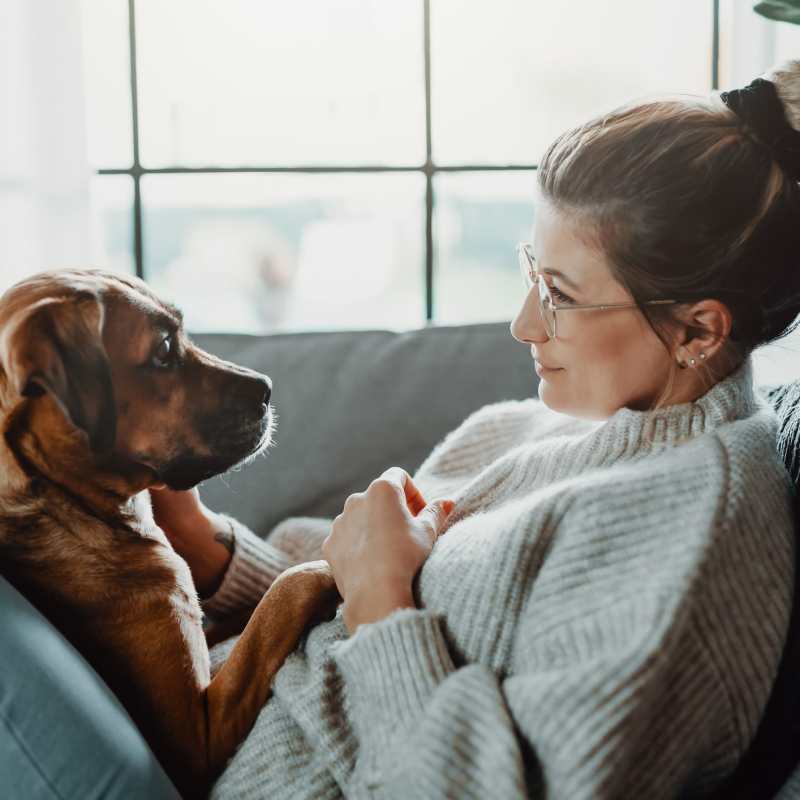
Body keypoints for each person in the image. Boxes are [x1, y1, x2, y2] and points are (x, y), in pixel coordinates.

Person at [150, 62, 800, 799]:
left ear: (699, 329)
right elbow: (331, 600)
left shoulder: (690, 532)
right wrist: (205, 547)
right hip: (200, 710)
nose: (523, 324)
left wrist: (382, 601)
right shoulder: (521, 429)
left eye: (559, 294)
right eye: (533, 271)